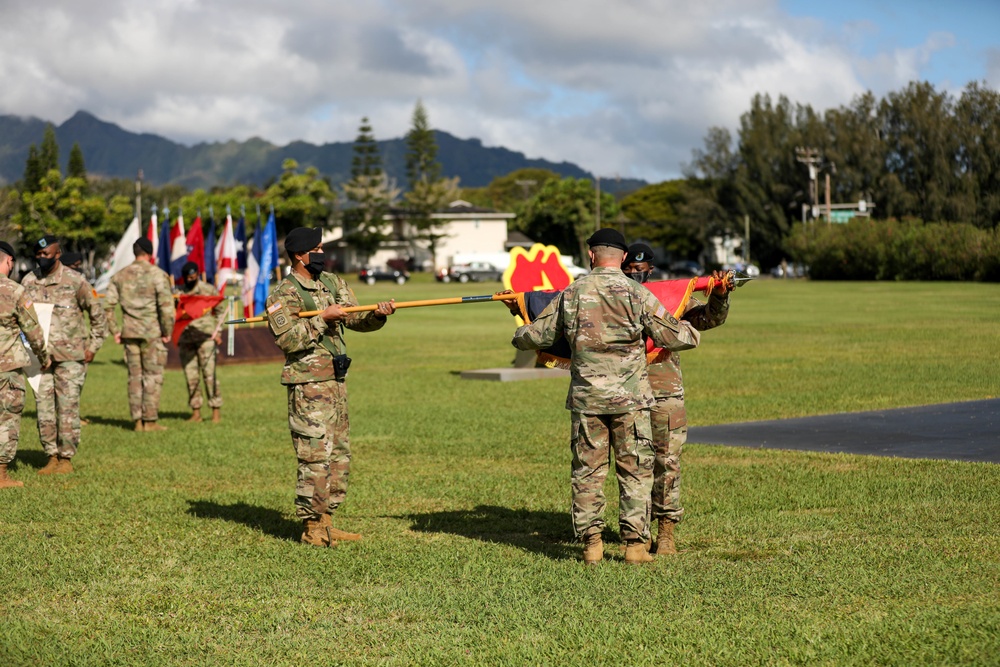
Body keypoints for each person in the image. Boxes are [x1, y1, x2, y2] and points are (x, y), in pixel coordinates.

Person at [510, 229, 700, 565]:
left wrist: (518, 332)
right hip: (631, 402)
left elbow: (537, 335)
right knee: (636, 472)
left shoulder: (573, 292)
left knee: (587, 473)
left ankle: (592, 545)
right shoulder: (636, 293)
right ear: (624, 258)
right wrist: (691, 331)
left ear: (590, 254)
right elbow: (673, 335)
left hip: (588, 401)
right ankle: (635, 547)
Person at [266, 227, 395, 548]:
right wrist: (323, 318)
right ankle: (312, 527)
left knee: (338, 453)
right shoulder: (282, 293)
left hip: (335, 381)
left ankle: (327, 520)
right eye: (318, 248)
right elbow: (288, 339)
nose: (323, 253)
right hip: (308, 385)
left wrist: (377, 315)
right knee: (314, 455)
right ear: (299, 255)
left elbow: (355, 319)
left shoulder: (333, 283)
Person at [622, 243, 730, 555]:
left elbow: (708, 319)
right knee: (632, 463)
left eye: (640, 270)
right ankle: (636, 534)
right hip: (625, 391)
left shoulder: (672, 295)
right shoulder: (614, 297)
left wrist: (720, 296)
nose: (634, 274)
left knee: (666, 461)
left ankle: (666, 531)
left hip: (664, 391)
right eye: (629, 269)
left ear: (651, 270)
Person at [21, 235, 106, 474]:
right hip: (40, 357)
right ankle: (51, 456)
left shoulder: (75, 281)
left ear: (58, 254)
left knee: (68, 408)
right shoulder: (29, 281)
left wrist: (93, 346)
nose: (41, 258)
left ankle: (66, 458)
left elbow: (97, 316)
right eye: (38, 254)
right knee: (44, 408)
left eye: (45, 254)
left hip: (71, 357)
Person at [103, 238, 174, 432]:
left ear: (135, 253)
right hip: (151, 333)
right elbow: (167, 308)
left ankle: (137, 421)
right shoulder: (158, 275)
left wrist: (115, 331)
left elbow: (108, 306)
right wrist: (167, 331)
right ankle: (150, 421)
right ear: (150, 253)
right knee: (152, 376)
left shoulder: (120, 276)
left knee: (134, 377)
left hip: (129, 333)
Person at [0, 242, 50, 488]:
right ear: (8, 261)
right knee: (7, 417)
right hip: (7, 368)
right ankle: (0, 475)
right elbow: (33, 331)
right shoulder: (16, 291)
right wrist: (43, 356)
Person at [177, 261, 226, 423]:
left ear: (198, 275)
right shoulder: (179, 293)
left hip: (206, 338)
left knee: (209, 375)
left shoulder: (208, 290)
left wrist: (218, 331)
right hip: (186, 339)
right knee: (191, 376)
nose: (191, 279)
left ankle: (215, 412)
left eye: (193, 276)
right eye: (188, 278)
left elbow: (220, 310)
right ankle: (196, 412)